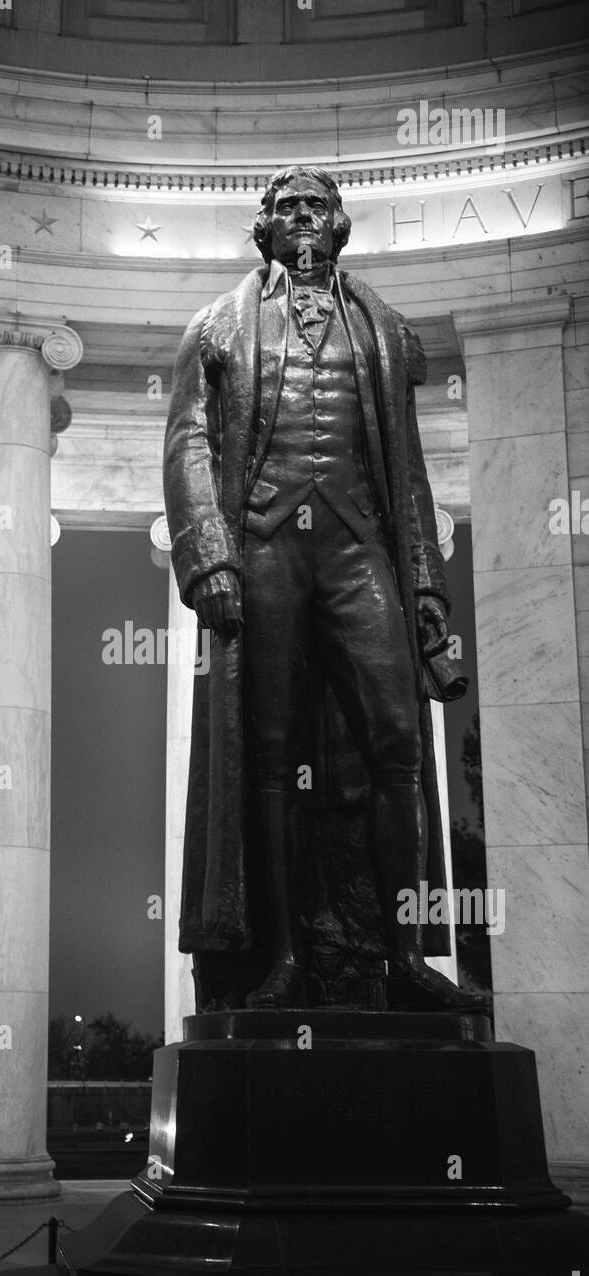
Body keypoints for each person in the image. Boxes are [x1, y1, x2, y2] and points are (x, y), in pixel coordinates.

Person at [163, 165, 487, 1013]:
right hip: (264, 545)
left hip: (355, 547)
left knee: (397, 744)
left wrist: (423, 585)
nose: (301, 218)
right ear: (262, 228)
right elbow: (189, 446)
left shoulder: (381, 327)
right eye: (285, 208)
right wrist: (210, 557)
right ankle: (278, 960)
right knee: (266, 758)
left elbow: (406, 470)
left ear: (340, 225)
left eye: (315, 206)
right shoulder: (215, 327)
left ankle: (404, 955)